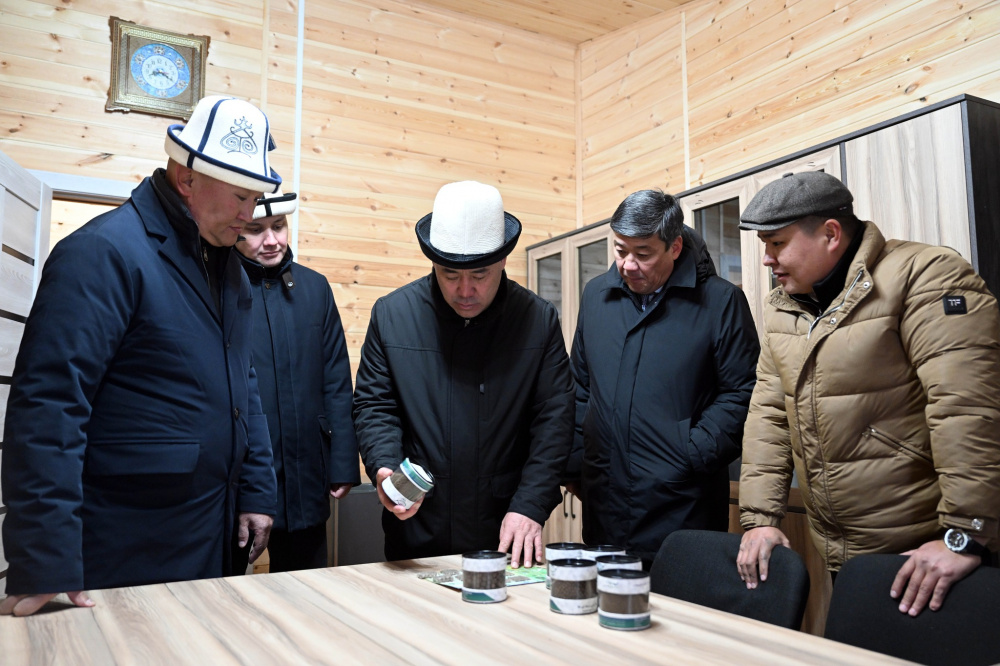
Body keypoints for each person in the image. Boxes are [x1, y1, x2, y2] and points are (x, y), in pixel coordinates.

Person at [0, 96, 280, 617]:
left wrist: (257, 492)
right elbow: (49, 407)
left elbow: (245, 388)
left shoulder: (230, 273)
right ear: (186, 178)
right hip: (125, 542)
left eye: (257, 198)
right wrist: (44, 557)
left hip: (211, 533)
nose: (251, 215)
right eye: (241, 196)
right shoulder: (104, 253)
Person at [735, 171, 1000, 616]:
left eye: (777, 243)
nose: (767, 259)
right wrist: (760, 520)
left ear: (830, 234)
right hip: (843, 551)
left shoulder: (926, 275)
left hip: (931, 549)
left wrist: (965, 535)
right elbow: (770, 416)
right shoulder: (785, 307)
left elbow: (967, 408)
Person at [353, 180, 574, 567]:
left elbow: (554, 421)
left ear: (503, 260)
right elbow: (375, 405)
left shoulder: (538, 321)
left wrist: (530, 505)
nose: (465, 290)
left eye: (480, 275)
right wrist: (384, 466)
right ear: (433, 263)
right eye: (450, 275)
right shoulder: (392, 315)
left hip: (504, 529)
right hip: (417, 525)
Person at [566, 189, 760, 566]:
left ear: (674, 247)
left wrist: (689, 454)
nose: (628, 265)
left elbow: (744, 393)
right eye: (620, 250)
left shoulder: (721, 302)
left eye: (643, 254)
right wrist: (576, 465)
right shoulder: (596, 296)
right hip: (604, 510)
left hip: (684, 510)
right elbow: (580, 387)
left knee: (678, 602)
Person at [231, 190, 360, 573]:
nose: (272, 240)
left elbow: (336, 379)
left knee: (307, 583)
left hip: (307, 469)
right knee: (228, 582)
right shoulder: (219, 286)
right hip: (244, 470)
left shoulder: (315, 288)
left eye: (279, 226)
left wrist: (343, 463)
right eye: (256, 230)